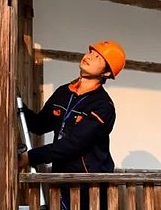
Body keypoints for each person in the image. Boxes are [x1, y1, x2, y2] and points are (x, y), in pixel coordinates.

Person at [19, 40, 126, 210]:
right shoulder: (63, 92)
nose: (89, 57)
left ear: (106, 72)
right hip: (61, 180)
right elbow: (39, 125)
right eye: (91, 52)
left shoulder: (103, 106)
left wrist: (30, 157)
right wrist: (16, 104)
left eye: (98, 57)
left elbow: (74, 144)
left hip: (89, 186)